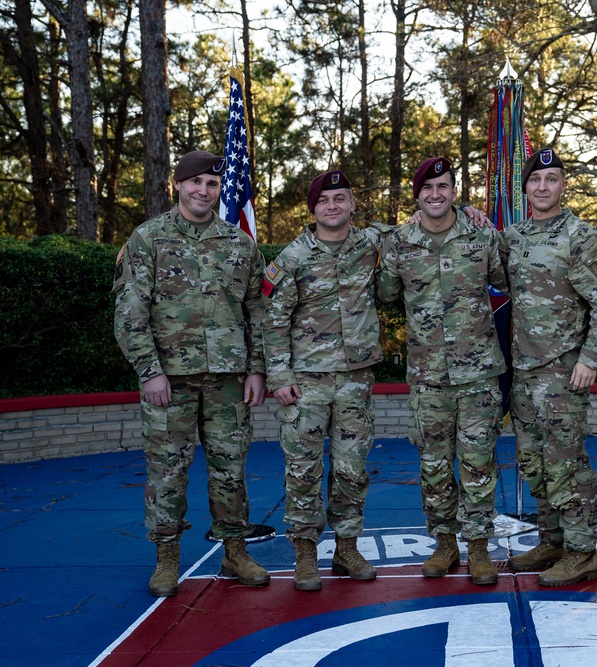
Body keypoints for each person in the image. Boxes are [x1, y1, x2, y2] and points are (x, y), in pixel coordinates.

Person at [113, 150, 270, 597]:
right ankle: (166, 558)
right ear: (178, 185)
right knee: (167, 472)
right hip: (170, 381)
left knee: (230, 470)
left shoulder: (240, 244)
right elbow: (130, 313)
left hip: (227, 381)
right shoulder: (148, 239)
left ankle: (235, 550)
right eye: (195, 182)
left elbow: (258, 312)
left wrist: (257, 369)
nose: (204, 190)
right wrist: (149, 372)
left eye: (212, 184)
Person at [377, 157, 508, 585]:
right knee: (433, 465)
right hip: (428, 375)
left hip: (478, 375)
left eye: (444, 186)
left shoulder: (480, 233)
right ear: (417, 195)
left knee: (477, 463)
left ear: (455, 191)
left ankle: (480, 548)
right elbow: (387, 293)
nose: (436, 193)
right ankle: (444, 542)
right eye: (428, 187)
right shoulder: (399, 242)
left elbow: (505, 280)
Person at [261, 170, 387, 590]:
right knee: (303, 470)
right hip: (306, 383)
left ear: (353, 204)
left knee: (352, 469)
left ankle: (347, 548)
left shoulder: (370, 244)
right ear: (312, 209)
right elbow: (273, 321)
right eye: (324, 200)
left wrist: (469, 214)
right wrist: (278, 375)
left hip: (355, 381)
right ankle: (305, 554)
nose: (332, 206)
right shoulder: (293, 257)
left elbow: (423, 225)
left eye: (340, 198)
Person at [503, 148, 597, 586]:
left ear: (563, 185)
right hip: (524, 371)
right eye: (536, 180)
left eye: (552, 178)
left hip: (562, 372)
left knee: (565, 465)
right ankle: (552, 539)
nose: (543, 187)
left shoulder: (581, 237)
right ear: (526, 188)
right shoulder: (513, 237)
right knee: (534, 464)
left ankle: (581, 551)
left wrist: (592, 358)